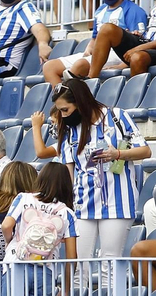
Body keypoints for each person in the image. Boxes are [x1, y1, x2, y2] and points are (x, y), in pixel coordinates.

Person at [32, 78, 148, 259]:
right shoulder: (68, 129)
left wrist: (117, 154)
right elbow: (68, 170)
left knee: (109, 262)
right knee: (78, 264)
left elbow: (145, 151)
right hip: (82, 203)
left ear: (80, 102)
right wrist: (67, 204)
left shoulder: (117, 116)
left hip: (117, 201)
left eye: (65, 110)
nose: (63, 115)